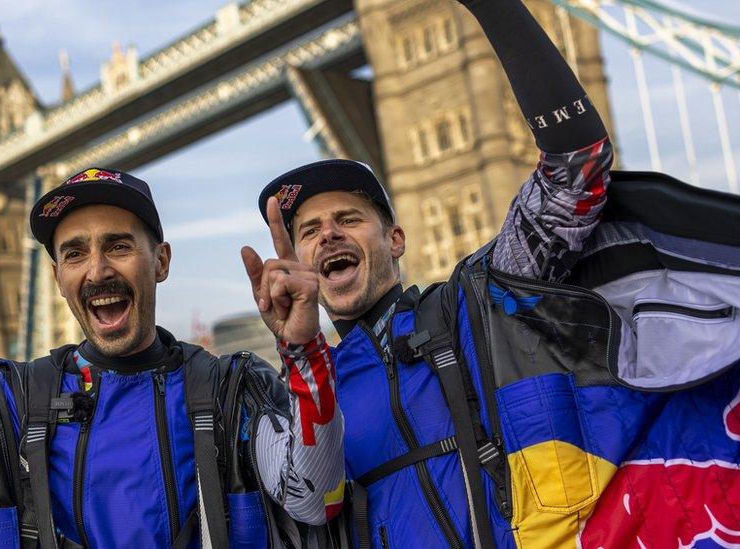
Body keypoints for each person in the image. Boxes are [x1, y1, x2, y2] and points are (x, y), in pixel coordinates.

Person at [245, 0, 740, 547]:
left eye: (348, 218)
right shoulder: (295, 395)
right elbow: (316, 500)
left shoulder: (487, 299)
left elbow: (577, 166)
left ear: (396, 238)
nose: (329, 235)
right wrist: (302, 353)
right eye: (309, 232)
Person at [0, 168, 346, 548]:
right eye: (74, 253)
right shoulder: (6, 403)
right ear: (58, 277)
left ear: (162, 261)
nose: (98, 269)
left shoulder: (232, 391)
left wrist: (302, 350)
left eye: (119, 245)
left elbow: (316, 498)